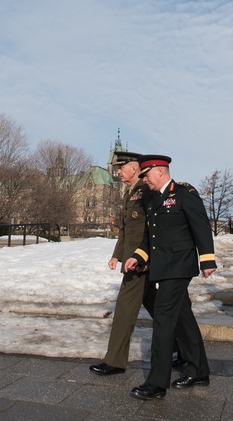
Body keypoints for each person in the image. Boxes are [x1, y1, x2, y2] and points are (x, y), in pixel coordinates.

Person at [124, 155, 216, 401]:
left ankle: (156, 383)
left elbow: (201, 226)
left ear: (160, 171)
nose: (144, 180)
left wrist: (207, 258)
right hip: (163, 268)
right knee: (183, 318)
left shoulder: (184, 193)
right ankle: (199, 371)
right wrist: (139, 257)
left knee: (163, 319)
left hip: (179, 266)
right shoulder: (154, 200)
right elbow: (149, 237)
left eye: (146, 175)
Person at [90, 151, 158, 376]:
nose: (117, 171)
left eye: (121, 168)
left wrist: (144, 256)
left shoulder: (146, 190)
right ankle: (182, 347)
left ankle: (115, 361)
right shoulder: (129, 193)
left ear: (134, 168)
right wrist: (116, 255)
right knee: (160, 309)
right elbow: (125, 229)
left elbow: (152, 228)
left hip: (140, 261)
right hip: (131, 259)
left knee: (124, 308)